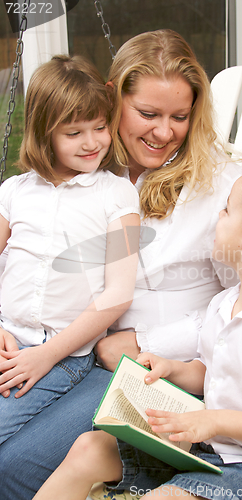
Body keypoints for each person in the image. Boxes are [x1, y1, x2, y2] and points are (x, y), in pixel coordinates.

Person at [0, 30, 242, 499]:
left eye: (180, 116)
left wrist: (148, 341)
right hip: (70, 351)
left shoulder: (223, 187)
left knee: (16, 465)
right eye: (147, 114)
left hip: (159, 369)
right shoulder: (87, 164)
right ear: (112, 100)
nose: (164, 131)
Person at [32, 160, 242, 500]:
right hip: (200, 447)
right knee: (90, 448)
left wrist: (215, 421)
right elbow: (210, 372)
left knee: (165, 498)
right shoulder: (224, 304)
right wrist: (173, 369)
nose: (218, 216)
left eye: (226, 210)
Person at [0, 54, 140, 444]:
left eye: (99, 127)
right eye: (74, 132)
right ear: (45, 133)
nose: (93, 142)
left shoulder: (118, 194)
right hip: (8, 340)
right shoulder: (14, 191)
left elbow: (119, 293)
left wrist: (46, 356)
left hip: (62, 355)